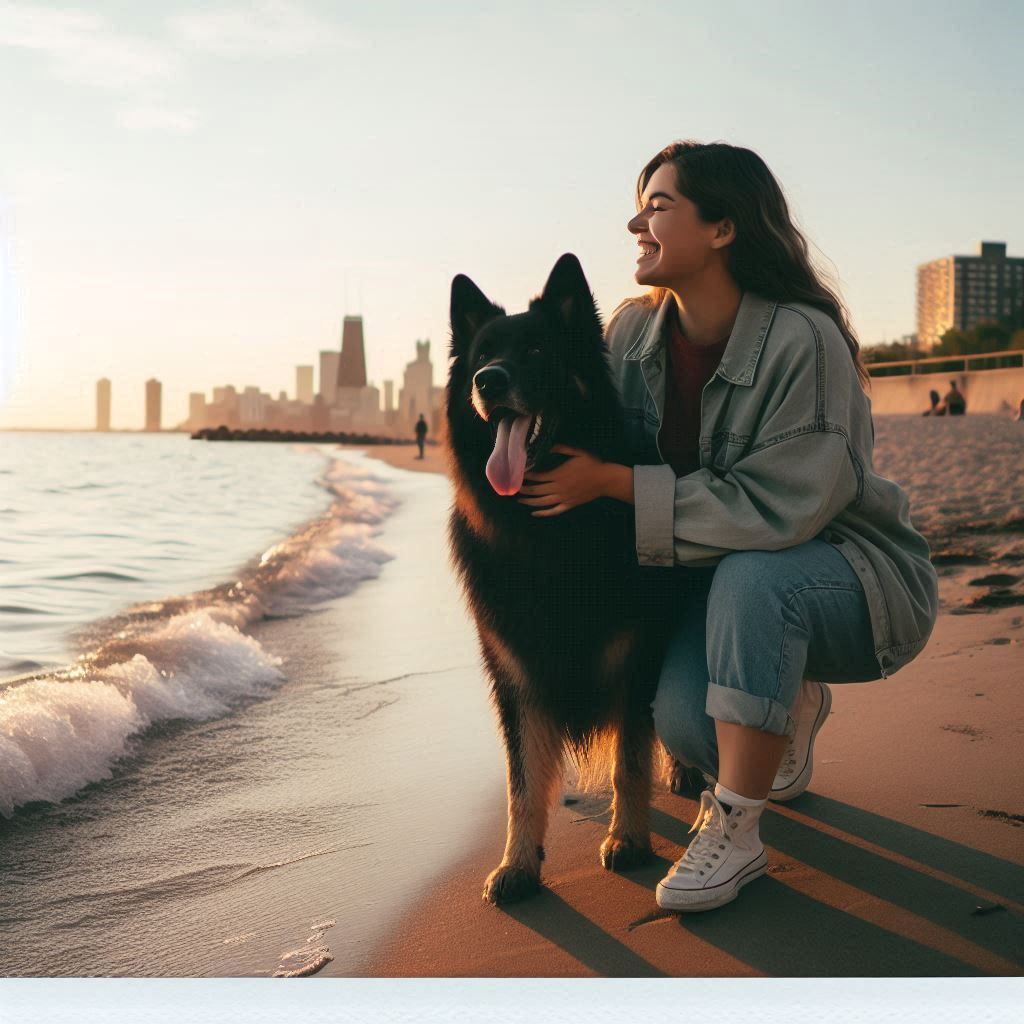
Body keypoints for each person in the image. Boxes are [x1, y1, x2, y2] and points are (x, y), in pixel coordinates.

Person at [517, 141, 938, 913]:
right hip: (717, 590)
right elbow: (576, 410)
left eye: (658, 206)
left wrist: (614, 483)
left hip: (849, 580)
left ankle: (736, 831)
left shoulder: (803, 340)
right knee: (685, 727)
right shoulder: (630, 335)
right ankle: (788, 700)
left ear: (722, 228)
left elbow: (780, 511)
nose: (635, 224)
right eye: (640, 206)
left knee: (755, 577)